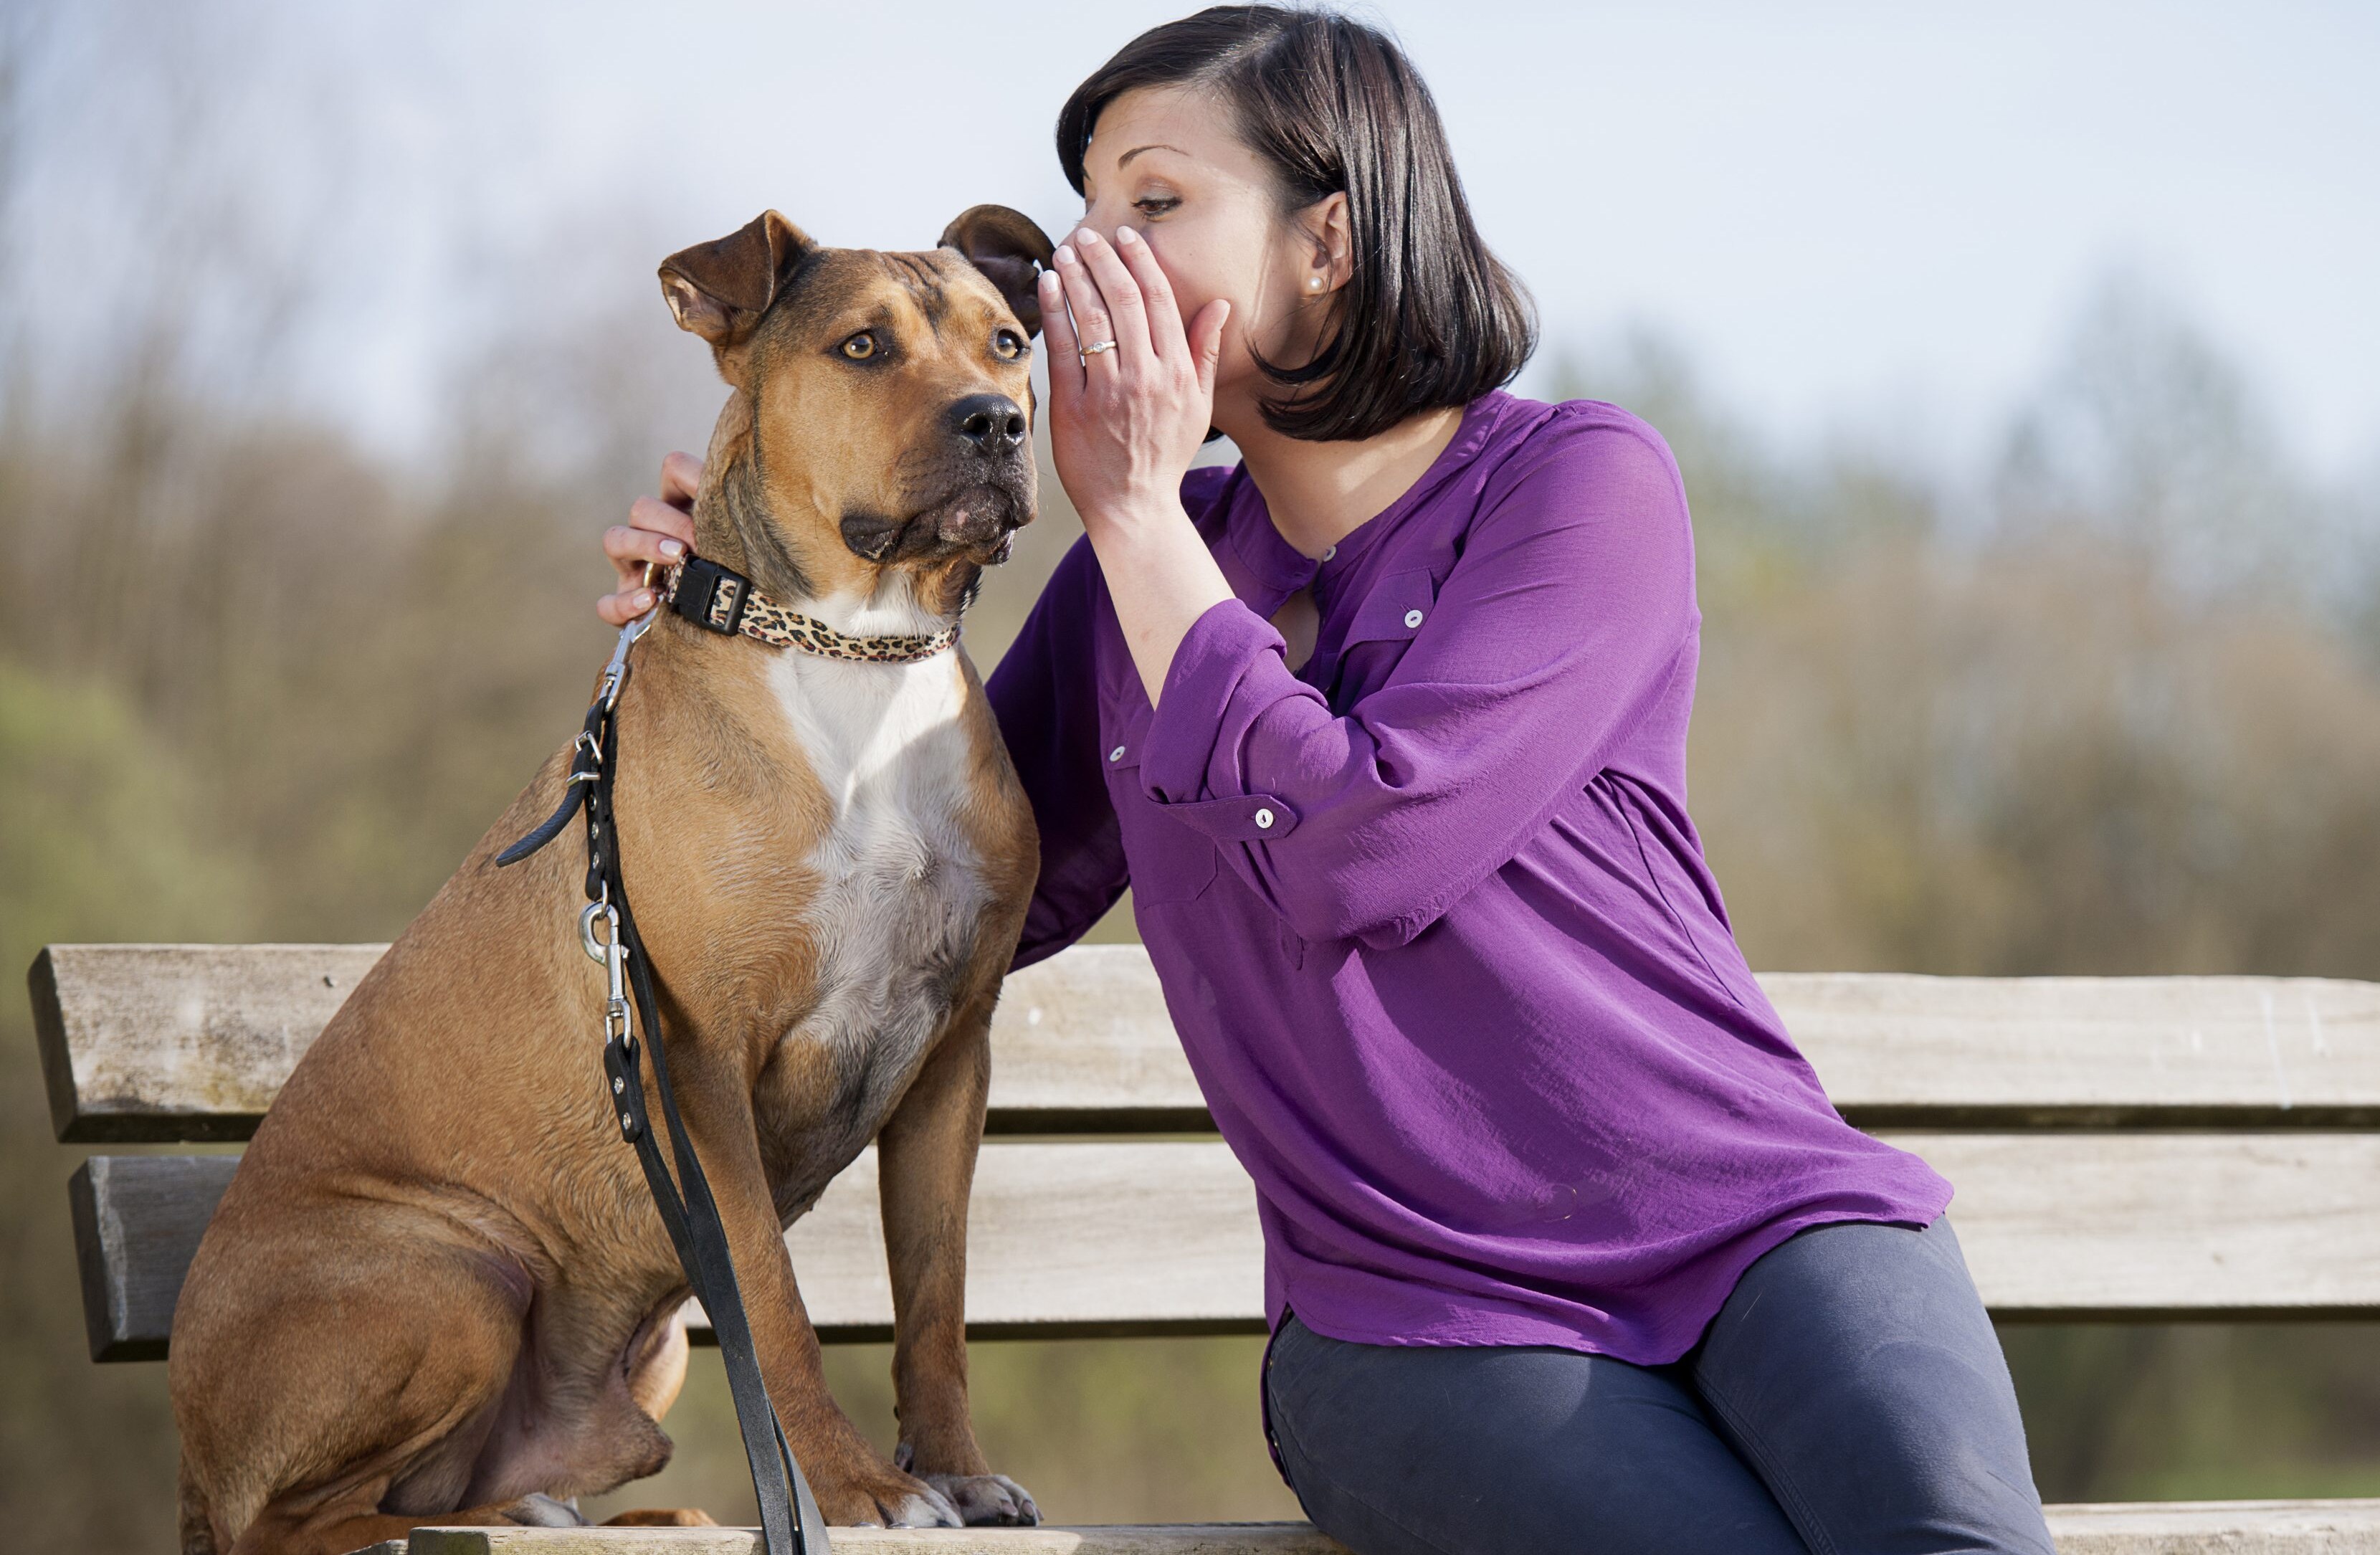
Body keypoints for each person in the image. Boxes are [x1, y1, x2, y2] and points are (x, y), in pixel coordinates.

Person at [604, 9, 2056, 1553]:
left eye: (1155, 200)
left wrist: (1135, 515)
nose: (1090, 258)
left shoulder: (1579, 483)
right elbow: (915, 889)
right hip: (1410, 1317)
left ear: (1328, 242)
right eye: (1087, 213)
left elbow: (1362, 846)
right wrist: (762, 599)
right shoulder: (1121, 591)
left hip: (1762, 1223)